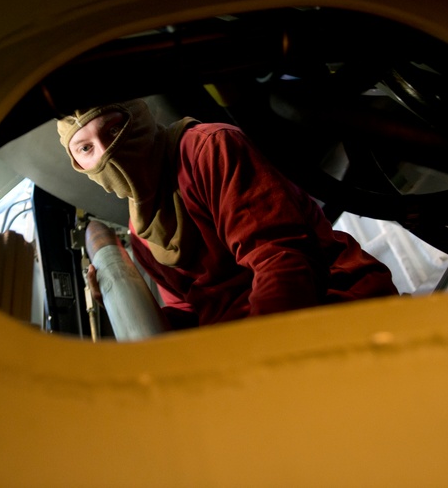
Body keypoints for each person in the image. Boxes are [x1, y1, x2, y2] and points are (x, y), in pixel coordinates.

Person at [57, 99, 397, 330]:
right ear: (78, 165)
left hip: (334, 308)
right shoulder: (140, 234)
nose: (106, 153)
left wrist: (260, 359)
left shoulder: (209, 149)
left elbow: (282, 259)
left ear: (139, 117)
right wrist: (125, 305)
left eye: (114, 130)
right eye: (86, 148)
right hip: (249, 341)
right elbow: (194, 310)